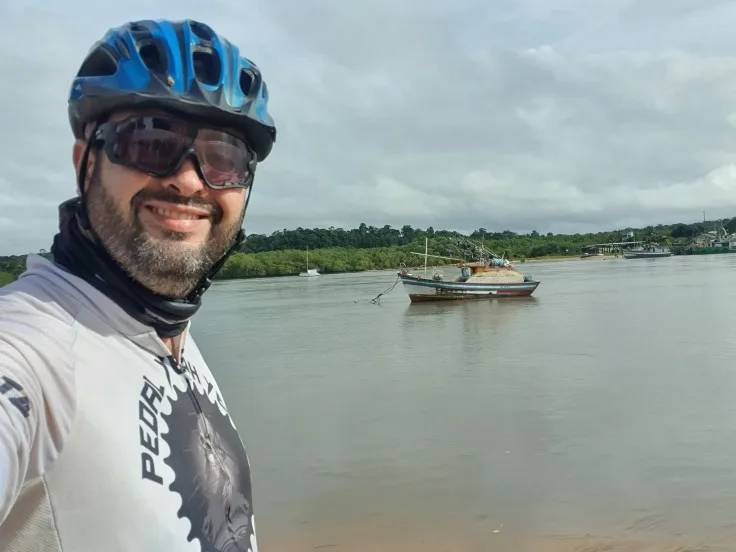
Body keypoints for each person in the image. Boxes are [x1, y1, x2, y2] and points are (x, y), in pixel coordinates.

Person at [0, 18, 276, 552]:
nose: (189, 179)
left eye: (224, 158)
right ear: (86, 164)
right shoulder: (33, 349)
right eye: (150, 142)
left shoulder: (167, 331)